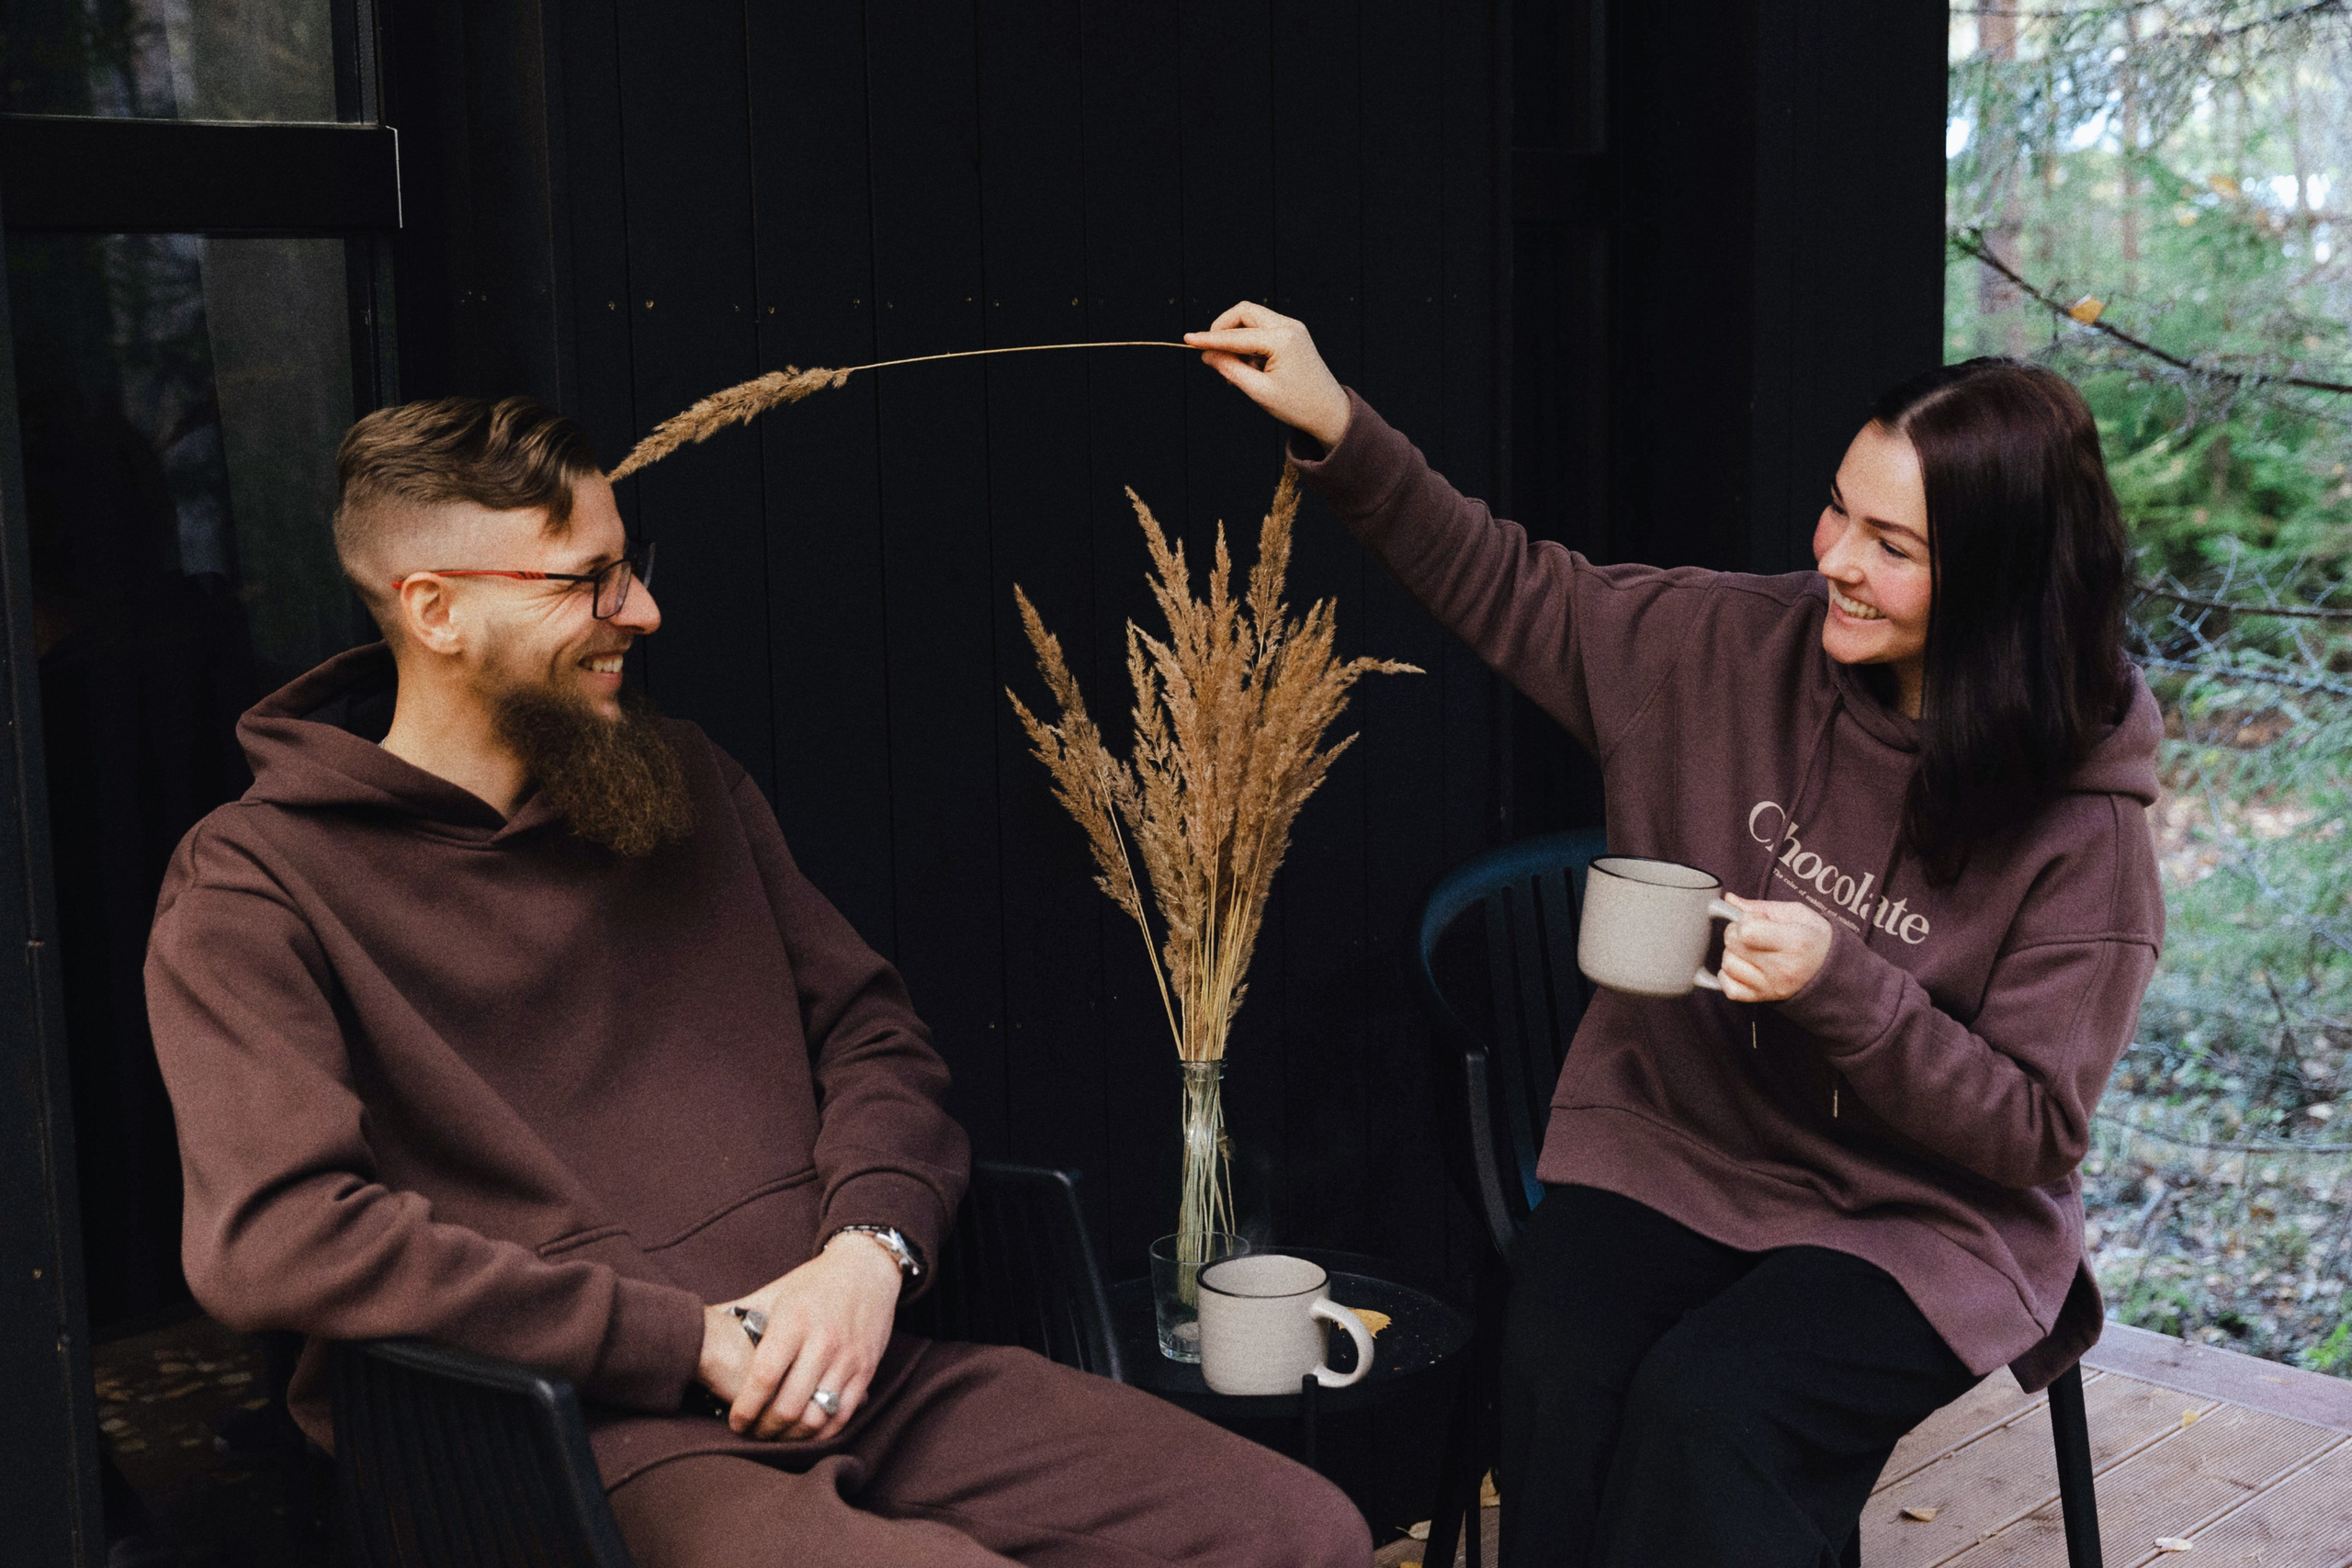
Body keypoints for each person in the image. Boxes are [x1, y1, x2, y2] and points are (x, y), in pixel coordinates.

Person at [144, 396, 1370, 1568]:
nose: (645, 610)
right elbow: (276, 1238)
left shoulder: (682, 781)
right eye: (587, 581)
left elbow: (876, 1042)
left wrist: (867, 1254)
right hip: (582, 1440)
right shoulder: (258, 885)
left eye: (631, 562)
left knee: (1294, 1534)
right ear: (435, 611)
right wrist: (684, 1341)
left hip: (857, 1355)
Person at [1184, 306, 2162, 1566]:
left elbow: (2031, 1130)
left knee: (1718, 1412)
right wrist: (1337, 424)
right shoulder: (1720, 651)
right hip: (1683, 1144)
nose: (1835, 559)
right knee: (1560, 1371)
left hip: (1922, 1217)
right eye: (1837, 509)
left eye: (1894, 544)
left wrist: (1843, 988)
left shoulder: (2082, 823)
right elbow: (1502, 579)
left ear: (2003, 585)